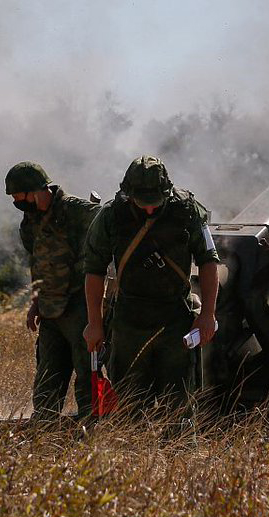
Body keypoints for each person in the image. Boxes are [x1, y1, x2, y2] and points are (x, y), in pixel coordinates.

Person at [82, 156, 220, 410]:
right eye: (141, 203)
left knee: (179, 408)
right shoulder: (110, 217)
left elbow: (208, 261)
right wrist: (94, 324)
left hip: (175, 321)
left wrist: (208, 314)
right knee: (129, 409)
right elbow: (94, 271)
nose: (148, 210)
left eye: (154, 203)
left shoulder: (187, 210)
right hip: (128, 323)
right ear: (128, 194)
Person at [5, 161, 101, 420]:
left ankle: (93, 430)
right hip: (50, 310)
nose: (17, 203)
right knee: (48, 375)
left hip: (79, 306)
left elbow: (105, 240)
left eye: (20, 197)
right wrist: (35, 303)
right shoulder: (29, 223)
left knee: (86, 372)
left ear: (37, 190)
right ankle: (45, 433)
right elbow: (37, 264)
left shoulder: (77, 210)